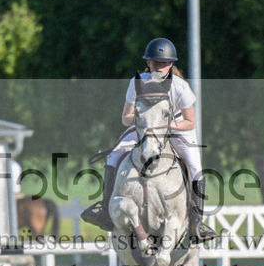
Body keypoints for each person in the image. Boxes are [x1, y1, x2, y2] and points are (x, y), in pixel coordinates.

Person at [82, 37, 216, 243]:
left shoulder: (180, 87)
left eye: (164, 63)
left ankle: (196, 224)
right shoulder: (137, 82)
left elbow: (191, 122)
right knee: (114, 156)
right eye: (155, 63)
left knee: (195, 168)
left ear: (171, 64)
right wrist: (147, 122)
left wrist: (165, 126)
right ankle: (105, 211)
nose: (159, 67)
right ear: (148, 63)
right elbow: (126, 118)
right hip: (146, 127)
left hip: (177, 128)